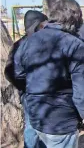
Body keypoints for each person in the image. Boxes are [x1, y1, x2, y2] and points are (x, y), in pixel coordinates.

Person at [13, 0, 84, 148]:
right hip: (60, 123)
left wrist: (35, 91)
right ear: (76, 18)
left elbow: (18, 74)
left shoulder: (28, 42)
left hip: (35, 115)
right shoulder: (76, 46)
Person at [4, 10, 48, 148]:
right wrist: (27, 87)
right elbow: (10, 72)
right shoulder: (20, 45)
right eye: (43, 24)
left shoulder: (46, 42)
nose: (46, 28)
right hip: (31, 95)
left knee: (44, 128)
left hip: (47, 94)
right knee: (32, 129)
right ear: (36, 25)